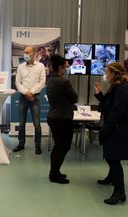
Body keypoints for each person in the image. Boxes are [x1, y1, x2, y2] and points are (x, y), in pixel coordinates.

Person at [93, 62, 128, 205]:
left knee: (114, 160)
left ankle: (119, 192)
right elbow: (108, 105)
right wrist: (100, 95)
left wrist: (105, 130)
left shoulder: (121, 90)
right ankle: (111, 178)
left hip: (117, 130)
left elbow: (116, 113)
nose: (105, 74)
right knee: (111, 157)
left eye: (107, 71)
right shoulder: (116, 88)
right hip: (115, 128)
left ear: (114, 74)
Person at [46, 54, 78, 184]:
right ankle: (54, 175)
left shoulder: (51, 80)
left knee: (58, 146)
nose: (67, 68)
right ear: (60, 67)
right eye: (66, 66)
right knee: (63, 147)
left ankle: (54, 172)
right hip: (62, 119)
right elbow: (74, 98)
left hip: (53, 116)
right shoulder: (64, 81)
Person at [13, 46, 46, 155]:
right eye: (24, 52)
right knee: (21, 123)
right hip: (23, 97)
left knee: (37, 123)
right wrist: (26, 92)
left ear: (33, 54)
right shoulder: (20, 67)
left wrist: (31, 92)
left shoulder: (40, 66)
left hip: (35, 97)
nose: (25, 54)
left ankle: (38, 145)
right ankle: (21, 144)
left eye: (27, 52)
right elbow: (17, 82)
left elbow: (42, 82)